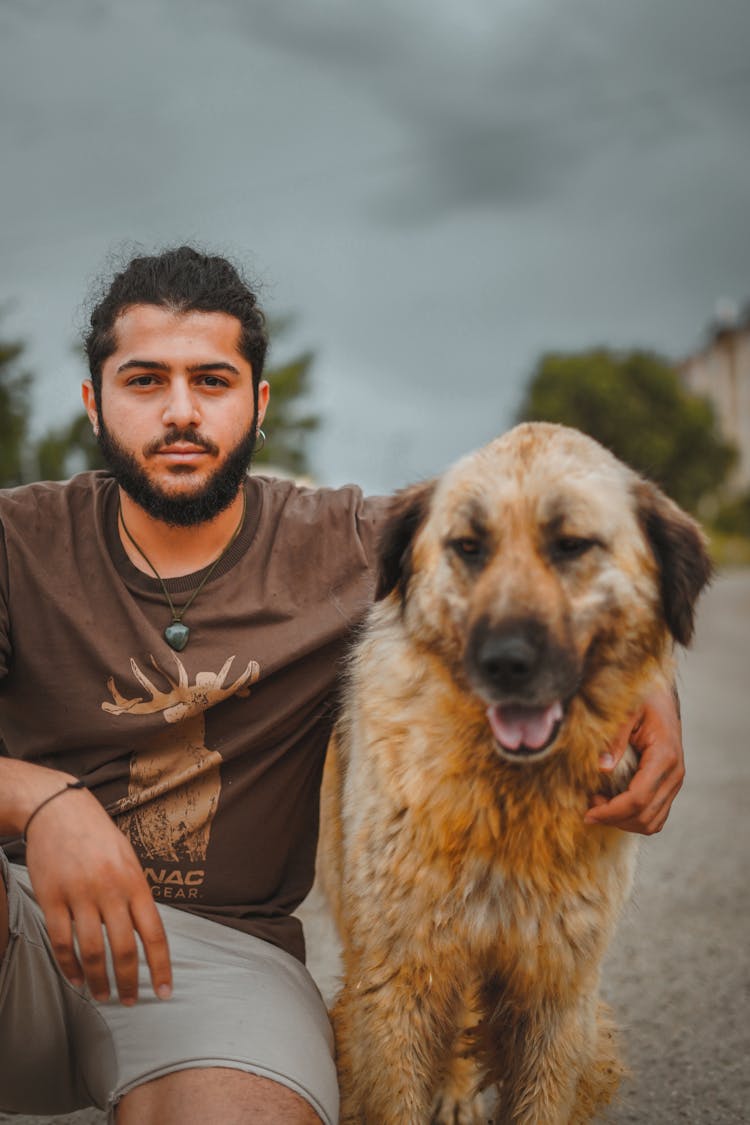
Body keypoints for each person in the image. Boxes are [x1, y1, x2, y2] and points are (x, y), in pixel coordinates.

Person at [0, 246, 685, 1125]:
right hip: (21, 928)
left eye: (212, 380)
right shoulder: (18, 542)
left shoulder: (357, 544)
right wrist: (39, 800)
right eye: (144, 381)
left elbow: (541, 552)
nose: (179, 411)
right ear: (94, 402)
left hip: (225, 968)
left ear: (258, 403)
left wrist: (650, 680)